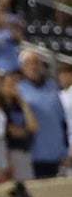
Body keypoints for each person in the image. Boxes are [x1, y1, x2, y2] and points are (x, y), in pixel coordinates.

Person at [17, 50, 70, 179]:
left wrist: (67, 148)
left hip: (58, 153)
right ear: (22, 67)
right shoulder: (18, 88)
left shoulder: (52, 86)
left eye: (36, 63)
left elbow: (62, 121)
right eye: (29, 63)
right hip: (33, 154)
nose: (33, 67)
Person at [1, 70, 39, 181]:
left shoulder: (18, 105)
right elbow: (13, 131)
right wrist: (25, 131)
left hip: (24, 151)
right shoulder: (1, 106)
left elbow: (33, 126)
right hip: (9, 152)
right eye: (11, 83)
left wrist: (22, 101)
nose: (14, 87)